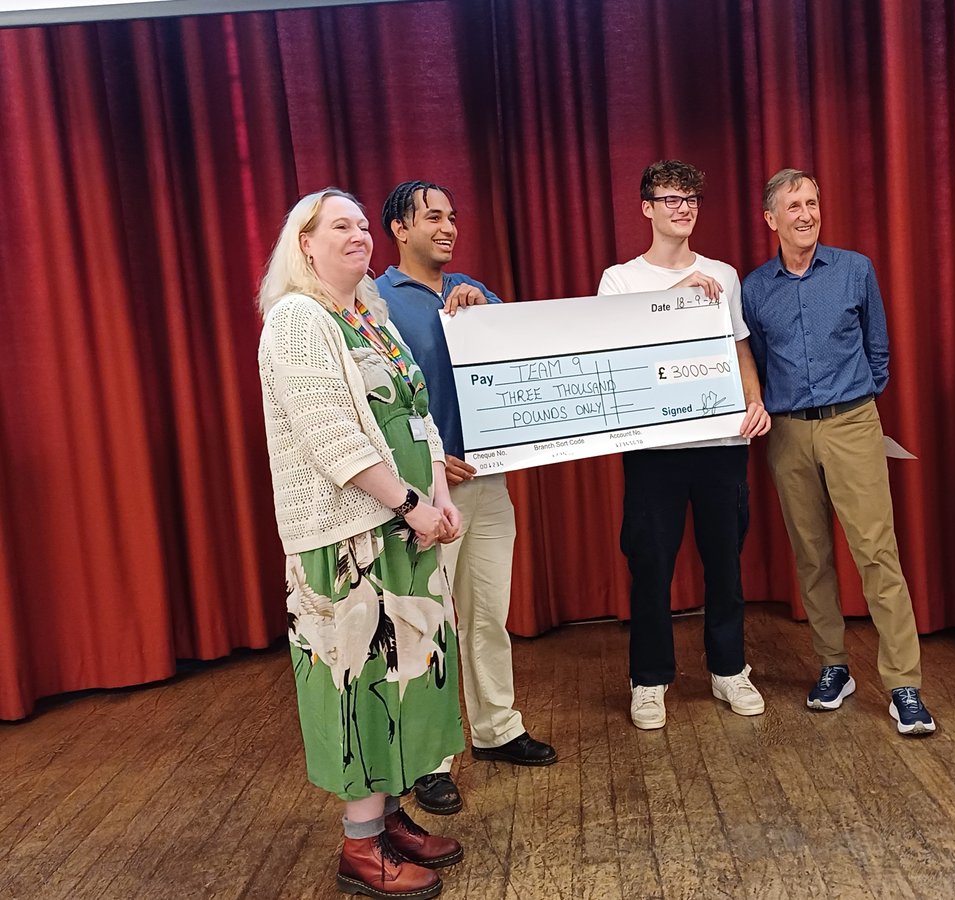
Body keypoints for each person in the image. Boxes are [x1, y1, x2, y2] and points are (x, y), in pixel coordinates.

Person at [257, 188, 467, 899]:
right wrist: (409, 504)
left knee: (409, 679)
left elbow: (419, 413)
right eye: (336, 226)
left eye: (359, 225)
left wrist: (437, 493)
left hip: (409, 528)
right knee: (359, 684)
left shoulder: (368, 315)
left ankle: (390, 816)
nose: (357, 236)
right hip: (350, 540)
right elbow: (333, 442)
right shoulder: (297, 320)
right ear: (305, 244)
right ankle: (358, 847)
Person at [376, 180, 557, 815]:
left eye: (453, 217)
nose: (448, 227)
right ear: (400, 229)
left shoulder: (477, 294)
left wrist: (485, 309)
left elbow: (518, 372)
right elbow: (379, 409)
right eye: (433, 217)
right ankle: (429, 759)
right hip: (426, 494)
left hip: (489, 482)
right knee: (427, 623)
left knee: (488, 612)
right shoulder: (376, 303)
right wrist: (425, 467)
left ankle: (497, 728)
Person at [741, 168, 936, 736]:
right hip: (788, 432)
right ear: (771, 219)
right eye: (794, 206)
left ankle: (904, 685)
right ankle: (833, 667)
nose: (807, 214)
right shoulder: (755, 289)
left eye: (813, 203)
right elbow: (751, 358)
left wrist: (860, 400)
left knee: (877, 552)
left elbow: (878, 348)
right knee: (812, 554)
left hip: (852, 423)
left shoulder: (854, 270)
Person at [597, 160, 771, 730]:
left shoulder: (723, 272)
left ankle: (729, 669)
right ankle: (649, 681)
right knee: (650, 566)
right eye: (672, 198)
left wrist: (754, 399)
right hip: (654, 451)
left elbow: (738, 343)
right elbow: (617, 352)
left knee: (725, 563)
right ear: (647, 208)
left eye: (692, 197)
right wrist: (675, 294)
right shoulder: (619, 279)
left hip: (721, 443)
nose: (684, 207)